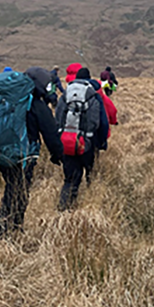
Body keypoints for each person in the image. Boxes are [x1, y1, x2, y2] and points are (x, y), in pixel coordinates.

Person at [0, 66, 64, 237]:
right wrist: (58, 156)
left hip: (2, 153)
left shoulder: (9, 99)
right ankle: (6, 230)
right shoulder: (37, 105)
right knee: (20, 192)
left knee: (11, 187)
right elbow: (51, 134)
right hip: (24, 156)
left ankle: (8, 228)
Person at [55, 67, 109, 210]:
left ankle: (64, 210)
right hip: (88, 144)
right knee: (91, 174)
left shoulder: (65, 95)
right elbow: (102, 122)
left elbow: (57, 118)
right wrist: (102, 142)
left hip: (67, 143)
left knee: (70, 180)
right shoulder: (93, 96)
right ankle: (91, 208)